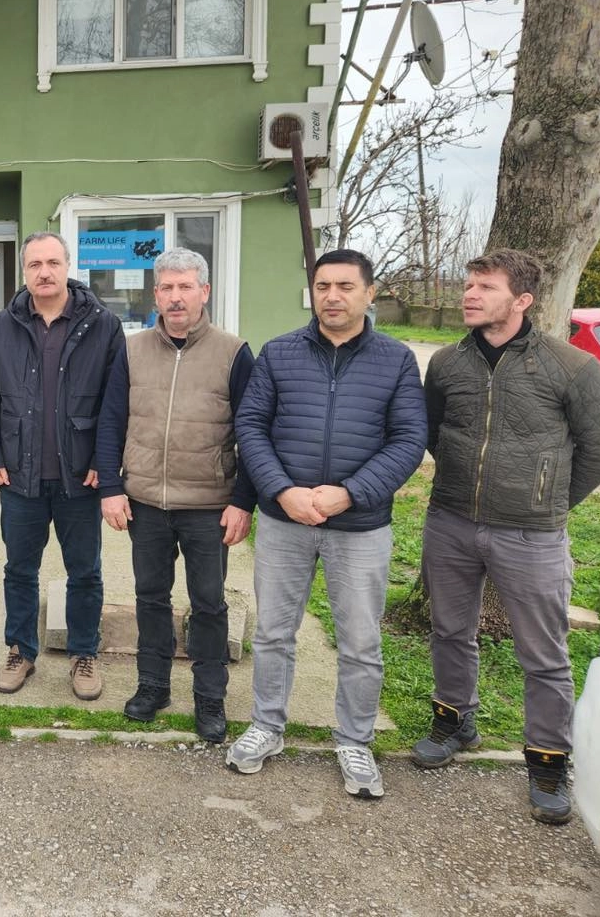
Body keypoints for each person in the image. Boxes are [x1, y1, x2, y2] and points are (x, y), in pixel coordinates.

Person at [414, 249, 600, 824]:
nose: (470, 294)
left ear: (522, 300)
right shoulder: (446, 363)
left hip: (531, 535)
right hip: (450, 521)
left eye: (485, 287)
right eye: (469, 284)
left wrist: (547, 501)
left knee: (543, 654)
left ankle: (547, 762)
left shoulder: (571, 367)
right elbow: (432, 432)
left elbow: (597, 449)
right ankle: (454, 722)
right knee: (450, 630)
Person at [229, 248, 426, 798]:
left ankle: (355, 740)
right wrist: (281, 490)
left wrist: (350, 494)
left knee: (360, 641)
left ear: (369, 293)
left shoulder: (395, 360)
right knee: (273, 633)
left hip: (360, 527)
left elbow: (409, 438)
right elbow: (251, 424)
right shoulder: (279, 353)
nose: (332, 296)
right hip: (284, 522)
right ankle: (266, 726)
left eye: (344, 286)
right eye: (322, 286)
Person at [95, 247, 256, 742]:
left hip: (209, 506)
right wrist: (111, 487)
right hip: (145, 502)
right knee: (150, 597)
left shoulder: (233, 352)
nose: (176, 297)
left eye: (186, 286)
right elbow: (111, 421)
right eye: (167, 287)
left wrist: (243, 500)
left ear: (204, 291)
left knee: (208, 603)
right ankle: (153, 685)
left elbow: (252, 431)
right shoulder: (131, 350)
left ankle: (209, 696)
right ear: (156, 295)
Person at [0, 231, 121, 700]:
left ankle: (84, 653)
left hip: (81, 477)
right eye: (35, 264)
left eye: (53, 262)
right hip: (20, 476)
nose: (44, 272)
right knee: (19, 570)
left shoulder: (103, 324)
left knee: (85, 572)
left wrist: (104, 461)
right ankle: (20, 650)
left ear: (68, 266)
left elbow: (117, 401)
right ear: (24, 271)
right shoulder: (2, 326)